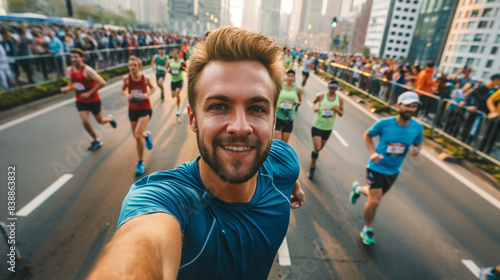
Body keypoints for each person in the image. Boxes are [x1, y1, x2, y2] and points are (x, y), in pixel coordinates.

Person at [87, 26, 306, 280]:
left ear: (273, 119)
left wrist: (295, 187)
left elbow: (287, 168)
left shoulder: (284, 160)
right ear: (193, 119)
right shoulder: (166, 200)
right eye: (219, 106)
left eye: (257, 108)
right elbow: (143, 243)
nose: (240, 127)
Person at [349, 91, 423, 245]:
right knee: (375, 201)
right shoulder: (384, 123)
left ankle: (357, 189)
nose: (410, 109)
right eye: (407, 106)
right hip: (376, 167)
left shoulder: (417, 127)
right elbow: (367, 135)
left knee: (373, 196)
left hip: (394, 170)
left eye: (414, 106)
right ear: (398, 106)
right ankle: (367, 229)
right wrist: (373, 152)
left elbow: (418, 142)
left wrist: (416, 150)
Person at [60, 48, 116, 151]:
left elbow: (102, 82)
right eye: (72, 57)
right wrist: (67, 88)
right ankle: (96, 140)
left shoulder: (88, 70)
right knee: (85, 122)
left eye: (76, 57)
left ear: (82, 58)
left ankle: (109, 119)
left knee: (101, 121)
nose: (73, 59)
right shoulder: (70, 70)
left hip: (93, 100)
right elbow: (72, 83)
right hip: (80, 100)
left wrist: (89, 93)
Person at [121, 56, 155, 175]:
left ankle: (140, 162)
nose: (132, 67)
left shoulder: (145, 78)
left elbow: (153, 88)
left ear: (139, 67)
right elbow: (123, 90)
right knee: (137, 135)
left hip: (145, 109)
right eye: (130, 65)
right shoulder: (126, 79)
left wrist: (147, 94)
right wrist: (126, 95)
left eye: (135, 65)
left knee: (136, 135)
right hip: (132, 109)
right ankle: (147, 136)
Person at [307, 79, 344, 180]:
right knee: (317, 148)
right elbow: (313, 102)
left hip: (328, 128)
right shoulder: (321, 96)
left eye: (335, 88)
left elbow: (341, 114)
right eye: (331, 87)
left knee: (318, 149)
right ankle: (312, 167)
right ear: (328, 86)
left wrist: (337, 110)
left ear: (337, 88)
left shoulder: (339, 99)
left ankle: (313, 157)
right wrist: (314, 107)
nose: (333, 89)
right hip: (317, 126)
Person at [274, 69, 302, 143]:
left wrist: (297, 103)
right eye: (289, 76)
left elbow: (300, 101)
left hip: (289, 118)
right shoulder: (279, 86)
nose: (290, 78)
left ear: (294, 77)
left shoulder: (297, 89)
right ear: (285, 77)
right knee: (277, 143)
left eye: (292, 76)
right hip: (278, 116)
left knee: (284, 144)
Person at [168, 48, 185, 117]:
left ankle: (178, 108)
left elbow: (186, 69)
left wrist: (183, 68)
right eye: (173, 54)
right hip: (173, 81)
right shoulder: (169, 61)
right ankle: (177, 101)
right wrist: (168, 70)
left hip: (180, 80)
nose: (174, 55)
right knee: (173, 96)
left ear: (178, 54)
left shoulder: (181, 62)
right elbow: (166, 68)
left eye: (176, 54)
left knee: (177, 93)